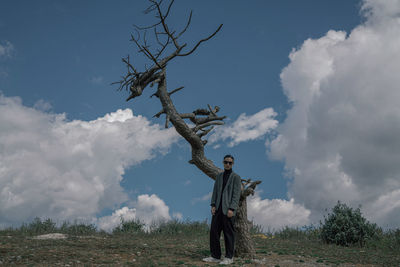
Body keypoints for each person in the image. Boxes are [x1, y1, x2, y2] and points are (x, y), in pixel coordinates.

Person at [202, 155, 242, 265]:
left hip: (228, 210)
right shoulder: (219, 176)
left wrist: (232, 208)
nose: (228, 164)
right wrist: (213, 205)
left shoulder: (236, 177)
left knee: (228, 234)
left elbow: (236, 194)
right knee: (214, 232)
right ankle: (215, 256)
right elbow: (215, 191)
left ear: (233, 164)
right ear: (223, 163)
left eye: (230, 163)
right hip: (217, 209)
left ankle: (229, 257)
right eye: (226, 162)